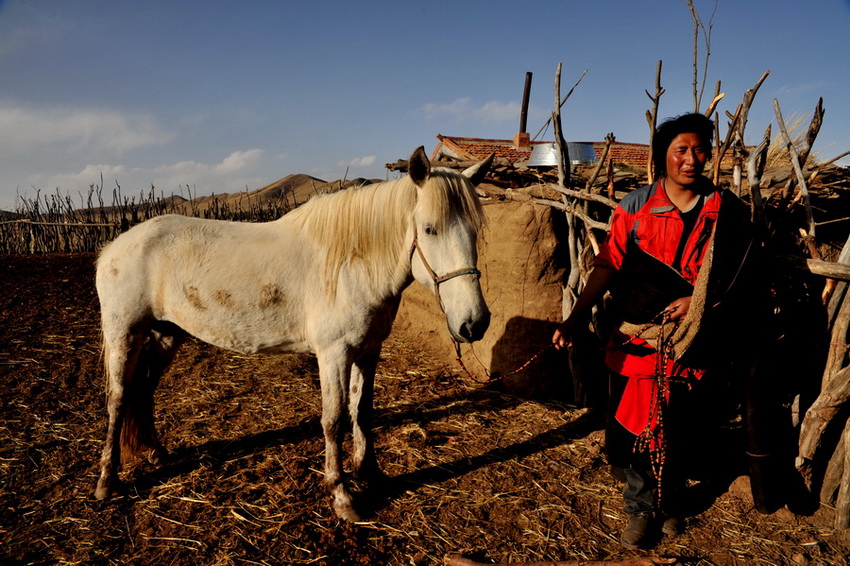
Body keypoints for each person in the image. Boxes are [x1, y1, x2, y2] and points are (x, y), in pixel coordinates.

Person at [552, 112, 732, 549]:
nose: (691, 159)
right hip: (637, 332)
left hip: (694, 336)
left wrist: (699, 300)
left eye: (699, 150)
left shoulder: (724, 211)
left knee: (678, 423)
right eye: (680, 151)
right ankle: (640, 506)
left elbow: (738, 273)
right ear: (662, 157)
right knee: (634, 424)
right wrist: (576, 317)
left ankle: (669, 503)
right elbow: (609, 263)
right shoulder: (636, 207)